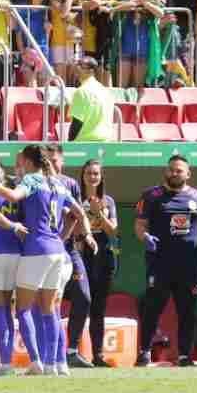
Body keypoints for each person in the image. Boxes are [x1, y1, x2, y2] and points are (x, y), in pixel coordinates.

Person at [0, 143, 86, 376]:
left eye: (20, 162)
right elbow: (79, 213)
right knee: (50, 310)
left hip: (36, 250)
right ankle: (57, 364)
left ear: (27, 162)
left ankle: (35, 362)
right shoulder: (57, 182)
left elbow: (12, 196)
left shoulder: (31, 180)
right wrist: (81, 236)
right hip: (58, 251)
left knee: (23, 310)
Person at [134, 153, 197, 366]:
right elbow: (140, 225)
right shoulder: (151, 196)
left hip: (189, 266)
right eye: (171, 169)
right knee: (152, 309)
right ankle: (144, 353)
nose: (174, 173)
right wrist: (145, 237)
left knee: (187, 312)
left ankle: (185, 355)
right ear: (165, 171)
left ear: (188, 174)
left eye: (179, 170)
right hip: (159, 264)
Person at [65, 158, 119, 369]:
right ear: (82, 176)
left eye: (96, 173)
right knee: (81, 301)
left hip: (104, 256)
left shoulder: (109, 201)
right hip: (81, 254)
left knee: (99, 308)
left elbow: (113, 230)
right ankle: (73, 350)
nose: (92, 177)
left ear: (101, 177)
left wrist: (98, 214)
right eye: (89, 173)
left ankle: (97, 354)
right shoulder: (74, 199)